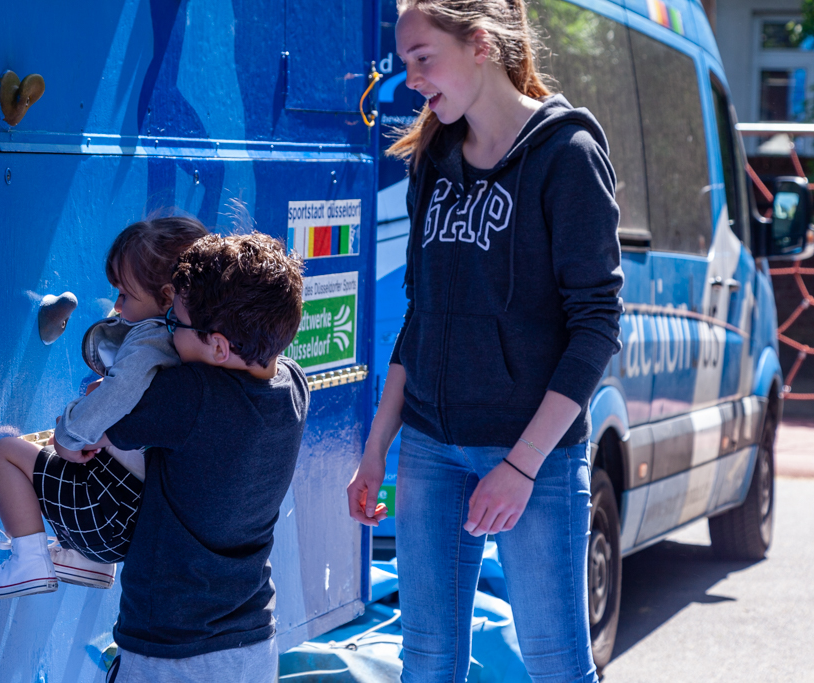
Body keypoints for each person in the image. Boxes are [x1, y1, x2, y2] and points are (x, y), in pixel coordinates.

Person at [346, 1, 623, 682]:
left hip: (534, 455)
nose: (409, 79)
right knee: (427, 663)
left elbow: (597, 326)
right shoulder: (433, 159)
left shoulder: (568, 155)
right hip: (430, 447)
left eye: (422, 59)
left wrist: (521, 467)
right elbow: (420, 314)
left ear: (480, 44)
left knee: (557, 665)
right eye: (404, 61)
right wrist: (377, 448)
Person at [98, 232, 308, 683]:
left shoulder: (191, 395)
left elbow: (104, 423)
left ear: (218, 347)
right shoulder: (294, 385)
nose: (167, 332)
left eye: (173, 323)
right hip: (253, 637)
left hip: (171, 646)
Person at [0, 215, 208, 599]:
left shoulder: (149, 340)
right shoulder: (196, 346)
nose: (117, 306)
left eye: (125, 295)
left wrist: (68, 435)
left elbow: (115, 396)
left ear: (167, 297)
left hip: (105, 512)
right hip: (142, 521)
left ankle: (29, 561)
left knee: (5, 454)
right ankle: (86, 560)